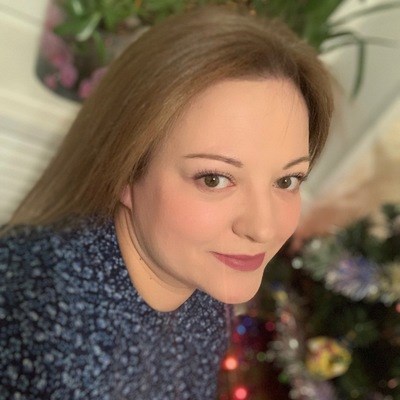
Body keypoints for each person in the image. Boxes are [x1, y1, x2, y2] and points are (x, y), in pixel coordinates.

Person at [0, 6, 334, 400]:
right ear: (125, 170)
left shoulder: (204, 278)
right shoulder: (41, 323)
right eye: (214, 179)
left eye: (287, 180)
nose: (262, 228)